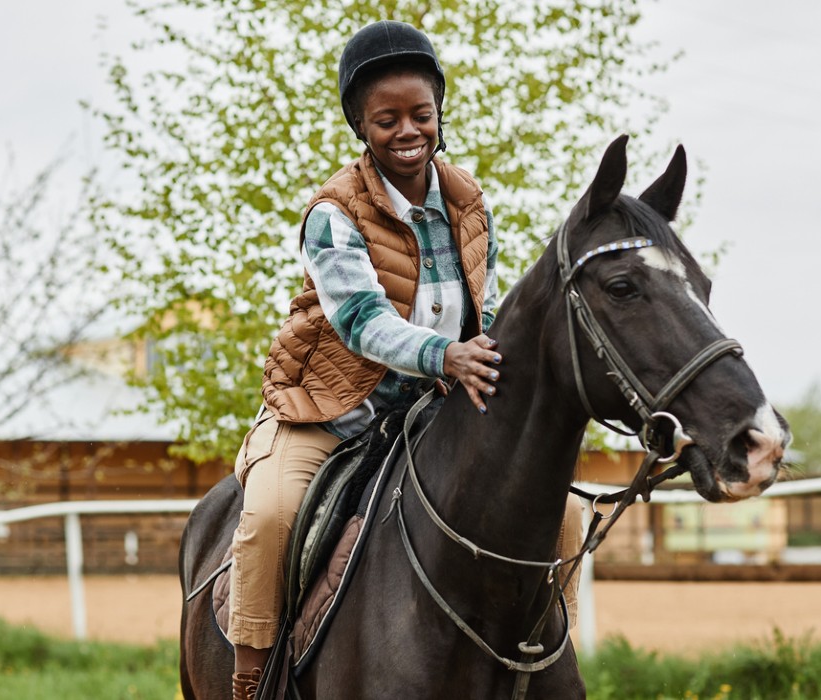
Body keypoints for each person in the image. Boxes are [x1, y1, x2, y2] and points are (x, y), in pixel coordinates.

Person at [226, 20, 583, 699]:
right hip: (330, 410)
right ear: (361, 127)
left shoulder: (468, 199)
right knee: (271, 515)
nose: (407, 130)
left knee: (563, 513)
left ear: (439, 114)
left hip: (434, 411)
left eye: (420, 113)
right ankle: (248, 675)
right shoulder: (332, 213)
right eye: (386, 119)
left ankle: (532, 643)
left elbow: (486, 302)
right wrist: (445, 355)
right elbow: (361, 322)